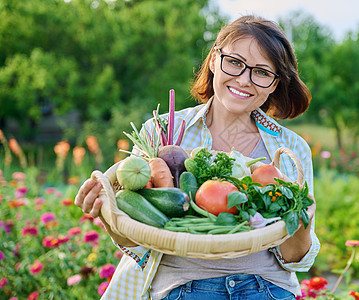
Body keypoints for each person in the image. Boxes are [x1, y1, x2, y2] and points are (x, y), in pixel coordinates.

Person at [75, 15, 320, 300]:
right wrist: (109, 212)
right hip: (181, 286)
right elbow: (138, 236)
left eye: (262, 72)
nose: (244, 79)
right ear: (214, 59)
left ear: (275, 84)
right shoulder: (161, 131)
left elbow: (296, 258)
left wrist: (301, 220)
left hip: (265, 287)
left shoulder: (291, 148)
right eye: (235, 62)